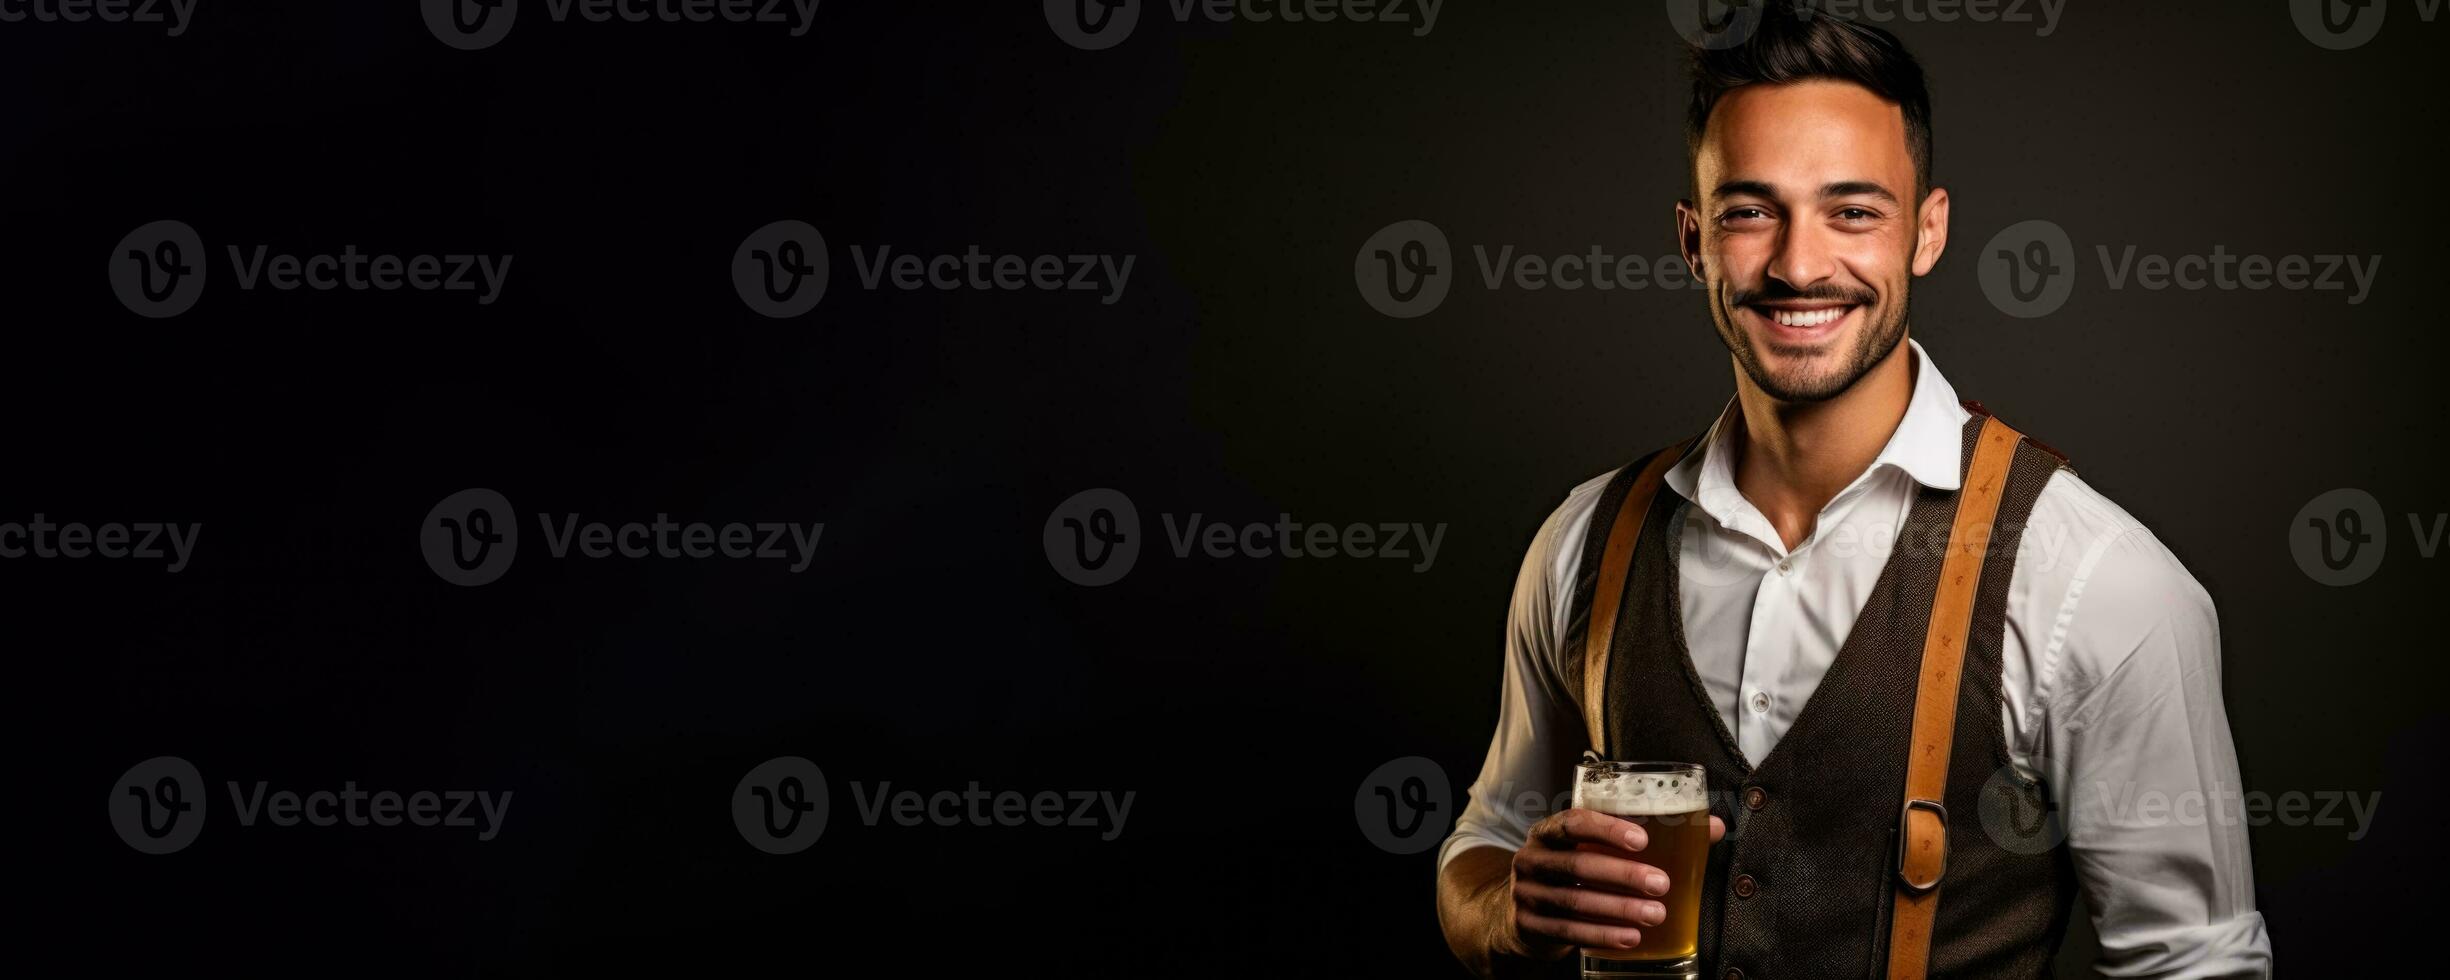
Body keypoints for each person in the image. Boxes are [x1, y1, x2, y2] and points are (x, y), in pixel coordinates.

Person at [1433, 8, 2272, 978]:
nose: (1797, 263)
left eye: (1852, 211)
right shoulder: (1584, 541)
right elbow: (1483, 838)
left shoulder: (2093, 576)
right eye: (1749, 210)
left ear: (1926, 232)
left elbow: (2193, 963)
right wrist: (1506, 909)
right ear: (1692, 239)